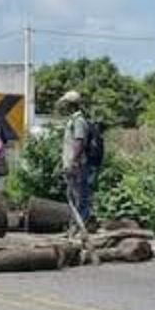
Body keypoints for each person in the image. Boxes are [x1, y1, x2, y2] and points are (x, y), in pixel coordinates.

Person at [59, 90, 92, 225]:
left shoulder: (78, 121)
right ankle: (75, 225)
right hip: (72, 164)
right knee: (72, 195)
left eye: (66, 104)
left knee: (79, 196)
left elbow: (79, 142)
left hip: (77, 165)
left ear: (71, 105)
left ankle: (81, 225)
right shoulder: (73, 120)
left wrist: (73, 161)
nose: (64, 107)